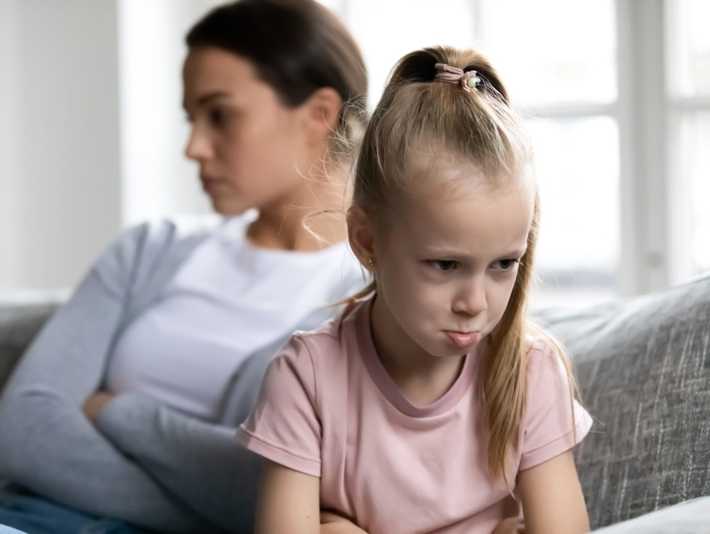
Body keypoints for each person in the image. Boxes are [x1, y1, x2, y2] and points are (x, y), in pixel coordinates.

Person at [0, 1, 368, 533]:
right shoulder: (152, 248)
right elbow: (20, 430)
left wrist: (113, 412)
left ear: (319, 114)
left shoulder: (366, 303)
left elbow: (252, 484)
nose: (194, 147)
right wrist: (197, 496)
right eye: (191, 119)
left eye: (219, 114)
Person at [236, 45, 594, 534]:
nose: (474, 303)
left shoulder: (531, 373)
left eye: (504, 263)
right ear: (367, 242)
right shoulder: (307, 379)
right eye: (445, 264)